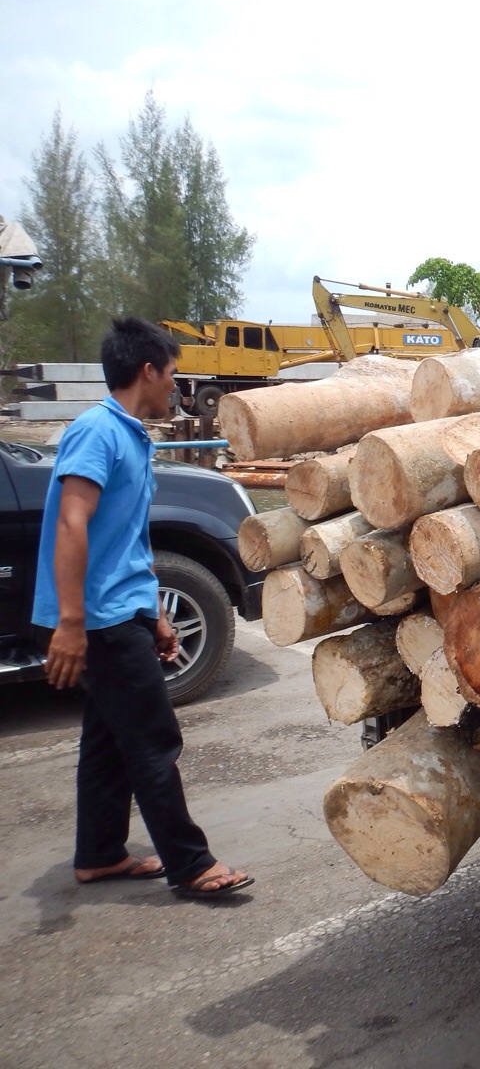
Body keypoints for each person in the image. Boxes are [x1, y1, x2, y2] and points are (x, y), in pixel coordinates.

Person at [34, 316, 253, 899]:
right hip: (100, 617)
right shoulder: (96, 432)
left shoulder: (130, 435)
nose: (175, 387)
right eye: (172, 374)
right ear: (148, 370)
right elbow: (72, 523)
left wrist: (154, 613)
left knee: (108, 739)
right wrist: (71, 623)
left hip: (121, 609)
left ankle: (100, 855)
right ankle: (191, 864)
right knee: (153, 739)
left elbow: (128, 540)